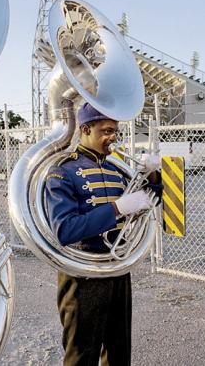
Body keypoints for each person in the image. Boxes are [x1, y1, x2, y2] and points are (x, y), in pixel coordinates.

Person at [44, 103, 162, 366]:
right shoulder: (63, 171)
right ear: (85, 129)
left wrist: (153, 175)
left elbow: (150, 201)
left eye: (115, 131)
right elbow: (65, 230)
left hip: (118, 268)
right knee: (81, 355)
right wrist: (118, 208)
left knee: (119, 351)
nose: (113, 137)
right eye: (106, 130)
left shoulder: (115, 169)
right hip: (83, 273)